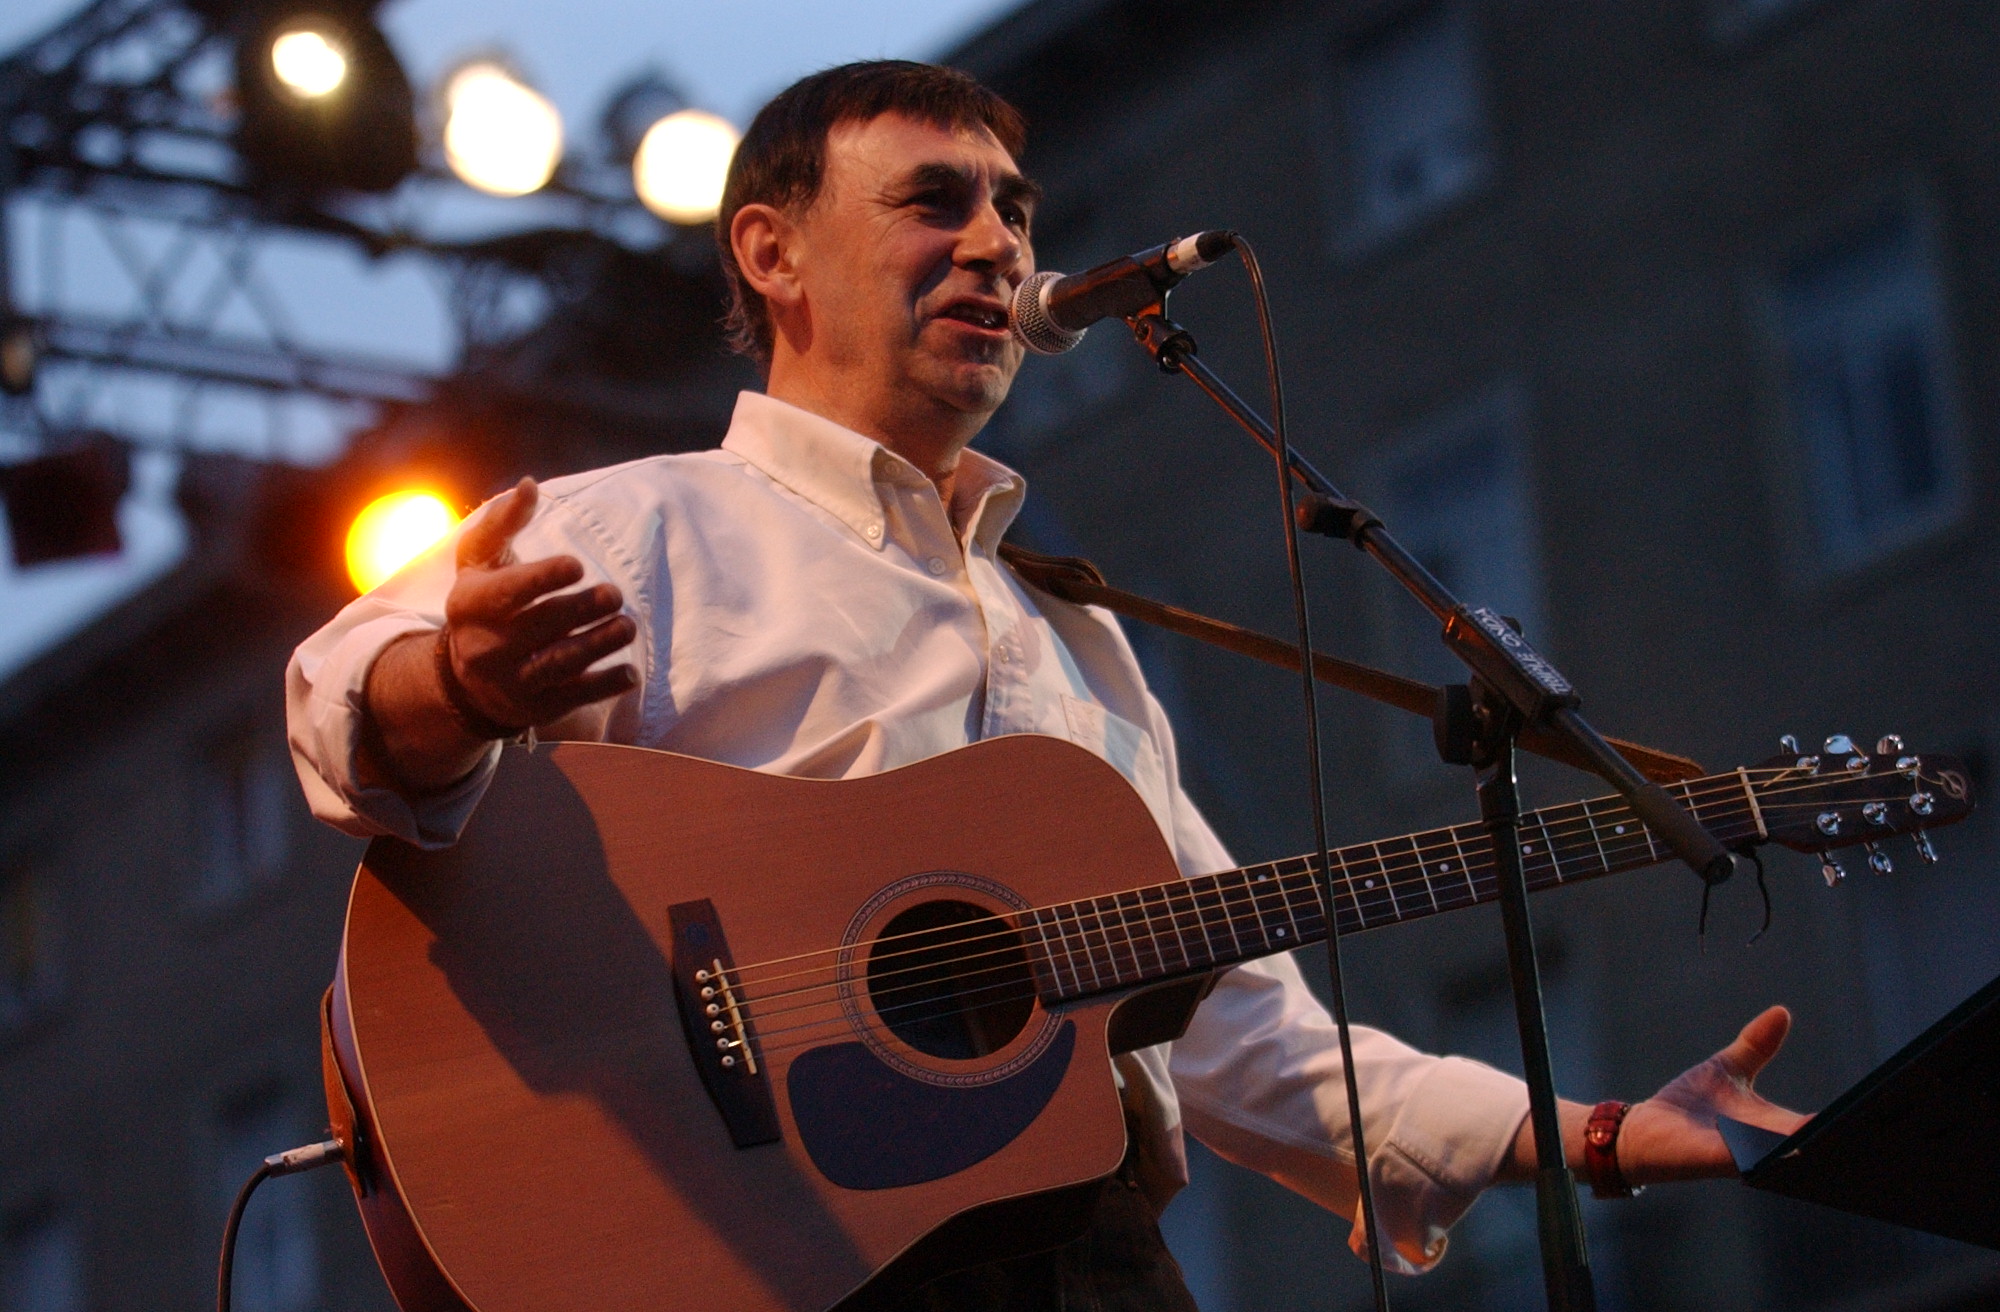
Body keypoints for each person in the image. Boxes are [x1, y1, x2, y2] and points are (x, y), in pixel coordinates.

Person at [287, 60, 1806, 1309]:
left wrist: (1603, 1134)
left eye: (1015, 209)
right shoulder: (642, 528)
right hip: (784, 1249)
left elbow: (1253, 1041)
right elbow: (335, 701)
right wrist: (459, 686)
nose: (1000, 245)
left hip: (1091, 1254)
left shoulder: (1074, 637)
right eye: (934, 201)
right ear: (771, 251)